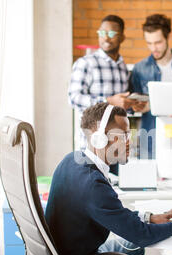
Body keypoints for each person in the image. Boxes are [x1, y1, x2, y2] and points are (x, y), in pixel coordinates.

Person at [45, 102, 172, 255]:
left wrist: (151, 217)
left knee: (133, 246)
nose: (129, 141)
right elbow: (141, 235)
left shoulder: (72, 159)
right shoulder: (93, 183)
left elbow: (118, 216)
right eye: (123, 135)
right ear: (99, 138)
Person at [68, 14, 147, 152]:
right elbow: (73, 99)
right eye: (102, 32)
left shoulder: (122, 67)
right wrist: (108, 101)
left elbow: (119, 106)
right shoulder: (86, 63)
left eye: (111, 33)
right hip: (92, 145)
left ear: (122, 37)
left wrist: (130, 105)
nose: (106, 37)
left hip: (117, 145)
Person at [130, 14, 172, 159]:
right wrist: (137, 106)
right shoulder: (139, 68)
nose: (153, 48)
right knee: (149, 180)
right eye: (149, 43)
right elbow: (132, 106)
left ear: (168, 37)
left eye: (158, 42)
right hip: (151, 135)